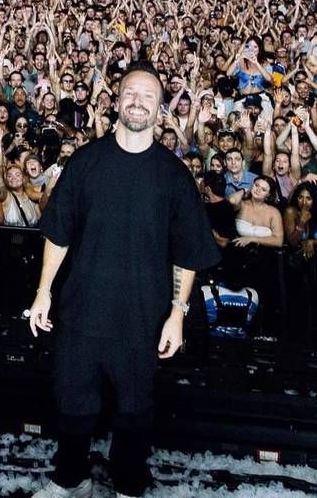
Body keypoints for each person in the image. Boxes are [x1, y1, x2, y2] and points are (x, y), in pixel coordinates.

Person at [28, 63, 219, 498]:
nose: (137, 101)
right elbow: (58, 234)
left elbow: (187, 253)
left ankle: (128, 486)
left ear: (160, 108)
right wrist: (42, 293)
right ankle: (70, 479)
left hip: (143, 317)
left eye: (148, 95)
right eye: (130, 93)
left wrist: (177, 314)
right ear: (116, 101)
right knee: (73, 404)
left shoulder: (173, 175)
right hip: (82, 310)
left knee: (135, 412)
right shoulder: (85, 162)